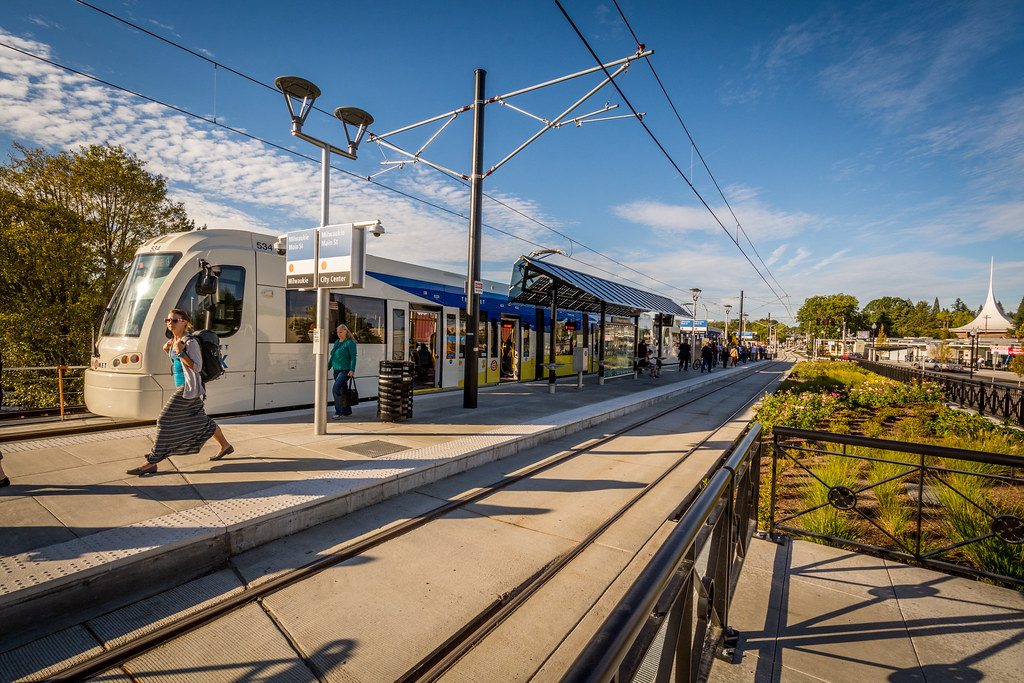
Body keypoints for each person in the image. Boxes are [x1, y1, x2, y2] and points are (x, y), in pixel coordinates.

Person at [126, 310, 232, 475]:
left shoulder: (190, 342)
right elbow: (179, 363)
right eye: (168, 320)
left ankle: (151, 462)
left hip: (188, 388)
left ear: (185, 322)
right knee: (203, 422)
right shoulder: (175, 341)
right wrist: (168, 350)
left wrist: (180, 352)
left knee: (164, 420)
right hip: (183, 387)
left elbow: (197, 367)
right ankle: (226, 446)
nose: (170, 322)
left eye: (175, 320)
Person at [331, 324, 358, 418]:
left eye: (341, 332)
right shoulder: (337, 342)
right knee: (343, 390)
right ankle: (347, 411)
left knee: (336, 389)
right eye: (337, 332)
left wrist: (352, 370)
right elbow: (333, 356)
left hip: (345, 370)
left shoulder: (350, 343)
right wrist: (327, 367)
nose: (339, 334)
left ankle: (338, 412)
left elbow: (353, 357)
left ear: (346, 332)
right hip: (336, 370)